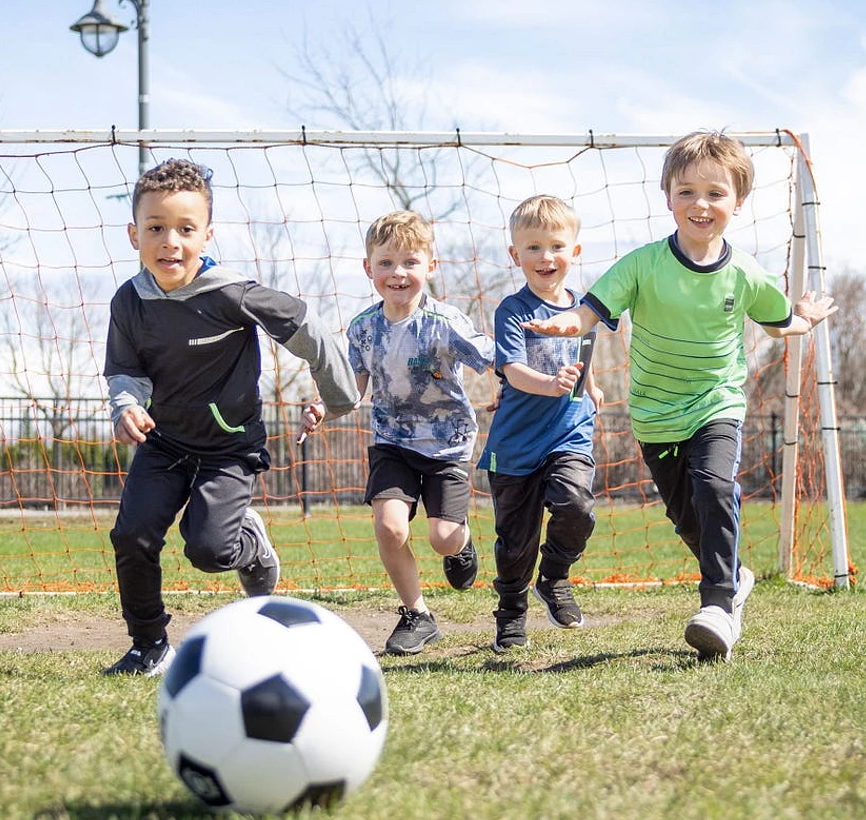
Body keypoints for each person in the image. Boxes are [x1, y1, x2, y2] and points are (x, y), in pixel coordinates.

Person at [526, 131, 837, 661]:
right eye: (687, 191)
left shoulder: (745, 272)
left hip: (717, 402)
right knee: (687, 518)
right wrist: (563, 324)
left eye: (715, 193)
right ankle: (734, 575)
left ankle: (717, 605)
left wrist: (803, 319)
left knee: (716, 486)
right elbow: (592, 312)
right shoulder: (641, 265)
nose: (701, 204)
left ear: (737, 203)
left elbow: (781, 322)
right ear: (667, 195)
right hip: (653, 415)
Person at [104, 159, 359, 676]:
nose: (169, 241)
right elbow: (124, 371)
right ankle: (148, 644)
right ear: (134, 235)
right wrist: (127, 404)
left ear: (207, 234)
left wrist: (338, 398)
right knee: (132, 535)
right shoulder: (128, 302)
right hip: (165, 443)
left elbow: (306, 326)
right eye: (155, 228)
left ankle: (249, 542)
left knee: (209, 551)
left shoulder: (230, 293)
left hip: (228, 447)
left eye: (185, 229)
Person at [302, 210, 495, 655]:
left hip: (448, 445)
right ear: (369, 269)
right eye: (386, 263)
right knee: (390, 527)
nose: (398, 273)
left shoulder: (445, 323)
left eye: (409, 262)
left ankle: (461, 546)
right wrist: (321, 408)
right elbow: (351, 389)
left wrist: (511, 385)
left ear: (430, 266)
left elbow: (492, 358)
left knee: (442, 538)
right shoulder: (364, 328)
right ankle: (417, 615)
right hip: (392, 442)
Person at [477, 195, 603, 653]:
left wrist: (591, 386)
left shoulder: (584, 309)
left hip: (569, 430)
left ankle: (554, 576)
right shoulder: (513, 310)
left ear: (575, 252)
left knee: (576, 505)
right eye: (532, 247)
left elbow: (583, 353)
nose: (545, 257)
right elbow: (512, 370)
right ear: (515, 256)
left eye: (555, 246)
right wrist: (550, 383)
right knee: (515, 542)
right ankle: (510, 614)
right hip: (515, 445)